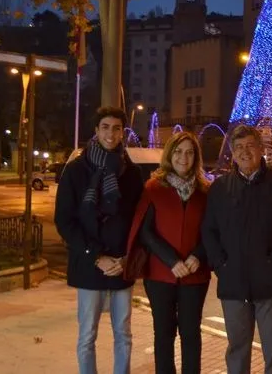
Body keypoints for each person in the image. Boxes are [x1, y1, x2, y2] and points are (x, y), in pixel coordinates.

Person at [201, 125, 272, 374]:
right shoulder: (220, 188)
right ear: (233, 154)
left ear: (261, 149)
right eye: (239, 148)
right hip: (233, 283)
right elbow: (208, 230)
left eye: (250, 146)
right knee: (237, 348)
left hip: (271, 283)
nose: (245, 152)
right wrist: (220, 265)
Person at [55, 106, 145, 374]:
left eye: (117, 128)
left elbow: (138, 221)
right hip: (89, 263)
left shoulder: (131, 173)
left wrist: (126, 257)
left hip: (120, 264)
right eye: (105, 127)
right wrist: (96, 256)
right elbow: (65, 220)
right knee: (87, 336)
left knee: (124, 334)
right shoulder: (76, 171)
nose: (111, 133)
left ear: (123, 132)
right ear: (96, 131)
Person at [126, 131, 211, 374]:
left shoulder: (205, 192)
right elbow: (146, 232)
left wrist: (198, 255)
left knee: (191, 333)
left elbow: (213, 231)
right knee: (163, 333)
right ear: (169, 154)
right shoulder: (154, 188)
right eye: (178, 151)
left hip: (195, 274)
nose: (183, 157)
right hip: (161, 274)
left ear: (196, 157)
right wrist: (172, 260)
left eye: (189, 152)